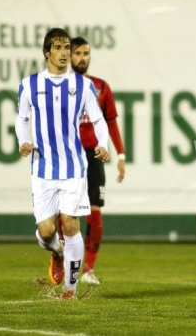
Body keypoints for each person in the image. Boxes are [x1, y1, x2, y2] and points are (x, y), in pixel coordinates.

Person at [15, 28, 110, 299]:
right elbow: (22, 118)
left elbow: (98, 119)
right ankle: (56, 251)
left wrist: (103, 144)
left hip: (74, 168)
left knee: (70, 224)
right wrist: (24, 140)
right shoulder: (30, 85)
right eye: (58, 47)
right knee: (47, 231)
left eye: (67, 47)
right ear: (47, 53)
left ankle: (70, 290)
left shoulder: (82, 85)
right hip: (43, 168)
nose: (65, 52)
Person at [70, 37, 126, 286]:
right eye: (78, 53)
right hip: (68, 157)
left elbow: (111, 121)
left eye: (86, 53)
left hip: (93, 157)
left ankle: (88, 269)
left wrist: (121, 155)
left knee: (95, 214)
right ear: (68, 57)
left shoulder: (101, 87)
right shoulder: (60, 87)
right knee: (68, 215)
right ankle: (64, 261)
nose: (83, 57)